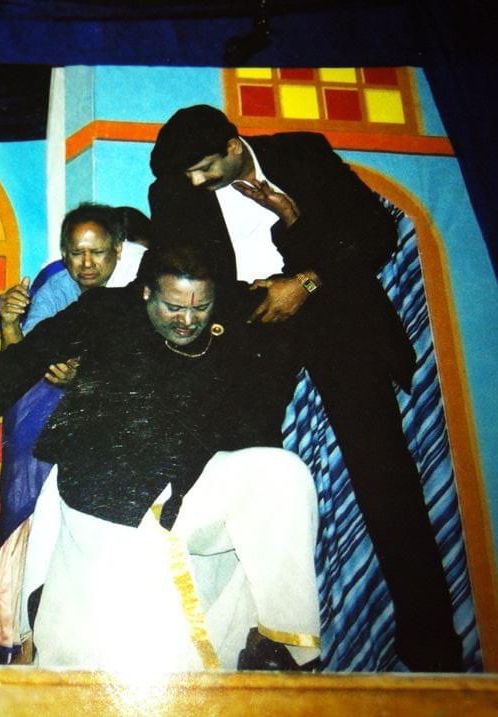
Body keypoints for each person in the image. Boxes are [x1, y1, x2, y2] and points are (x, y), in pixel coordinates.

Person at [0, 243, 321, 672]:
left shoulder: (237, 315)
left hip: (191, 483)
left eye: (200, 308)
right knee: (125, 657)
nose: (187, 320)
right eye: (173, 307)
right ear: (145, 292)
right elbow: (21, 362)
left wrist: (308, 280)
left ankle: (279, 641)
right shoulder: (106, 310)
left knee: (284, 473)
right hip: (105, 492)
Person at [147, 104, 462, 672]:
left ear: (234, 146)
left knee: (384, 473)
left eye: (204, 168)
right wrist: (255, 298)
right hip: (249, 327)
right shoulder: (172, 191)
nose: (193, 182)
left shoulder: (301, 155)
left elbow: (376, 233)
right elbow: (178, 270)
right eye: (185, 174)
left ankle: (433, 647)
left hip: (332, 313)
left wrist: (304, 272)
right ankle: (250, 642)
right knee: (243, 477)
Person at [0, 203, 145, 662]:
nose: (85, 264)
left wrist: (84, 378)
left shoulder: (142, 288)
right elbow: (23, 362)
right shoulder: (58, 286)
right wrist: (9, 323)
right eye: (75, 253)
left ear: (118, 250)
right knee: (33, 516)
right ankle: (24, 640)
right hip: (46, 426)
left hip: (113, 428)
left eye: (97, 253)